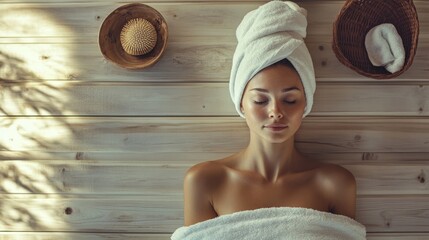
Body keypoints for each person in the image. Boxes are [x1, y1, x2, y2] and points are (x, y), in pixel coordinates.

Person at [183, 0, 357, 227]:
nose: (275, 112)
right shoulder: (204, 182)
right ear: (241, 103)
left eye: (290, 100)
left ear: (306, 103)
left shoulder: (336, 184)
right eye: (260, 100)